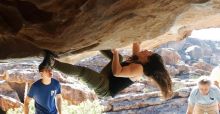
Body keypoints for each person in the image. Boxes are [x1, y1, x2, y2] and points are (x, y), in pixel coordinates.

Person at [45, 42, 173, 99]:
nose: (147, 50)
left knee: (83, 72)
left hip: (105, 89)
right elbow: (136, 43)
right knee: (119, 58)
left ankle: (51, 63)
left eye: (149, 52)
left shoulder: (139, 69)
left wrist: (116, 52)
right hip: (108, 77)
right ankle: (96, 40)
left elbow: (117, 72)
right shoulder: (138, 60)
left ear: (148, 59)